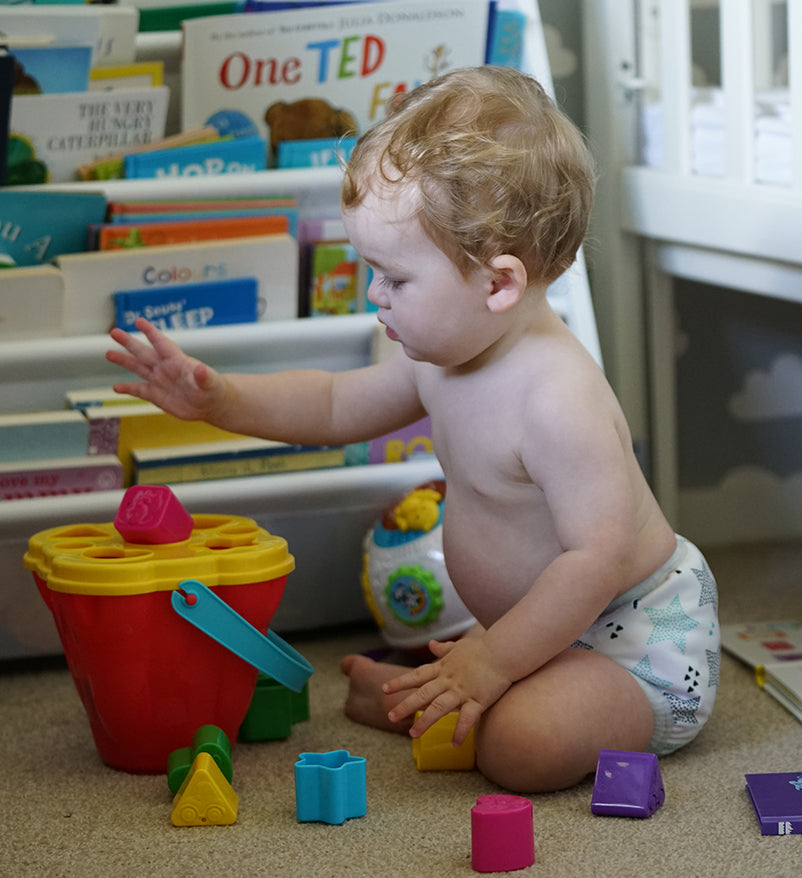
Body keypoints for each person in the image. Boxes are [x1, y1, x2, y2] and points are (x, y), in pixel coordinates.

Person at [106, 66, 719, 793]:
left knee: (520, 746)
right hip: (531, 635)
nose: (374, 296)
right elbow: (334, 406)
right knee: (488, 697)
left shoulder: (559, 398)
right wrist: (221, 400)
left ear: (498, 284)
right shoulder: (440, 354)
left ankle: (448, 698)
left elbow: (597, 560)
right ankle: (442, 694)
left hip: (636, 644)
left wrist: (490, 662)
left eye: (394, 278)